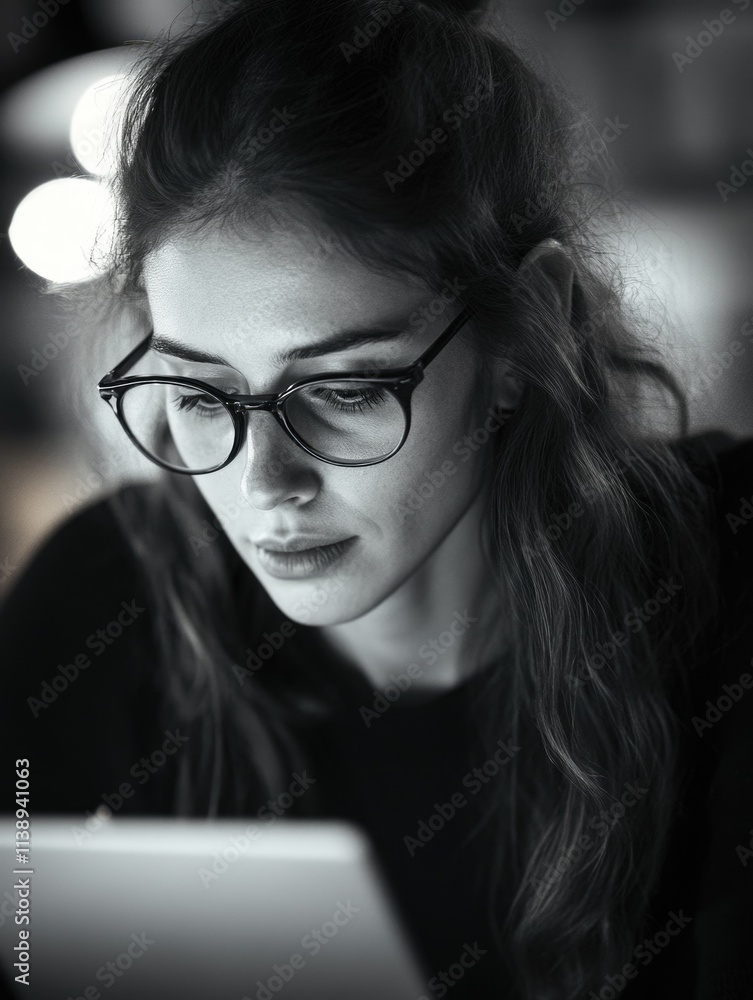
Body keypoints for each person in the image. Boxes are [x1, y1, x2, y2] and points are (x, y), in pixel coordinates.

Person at [2, 1, 752, 997]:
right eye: (199, 394)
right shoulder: (97, 603)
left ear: (527, 332)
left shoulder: (727, 580)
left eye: (344, 390)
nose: (262, 481)